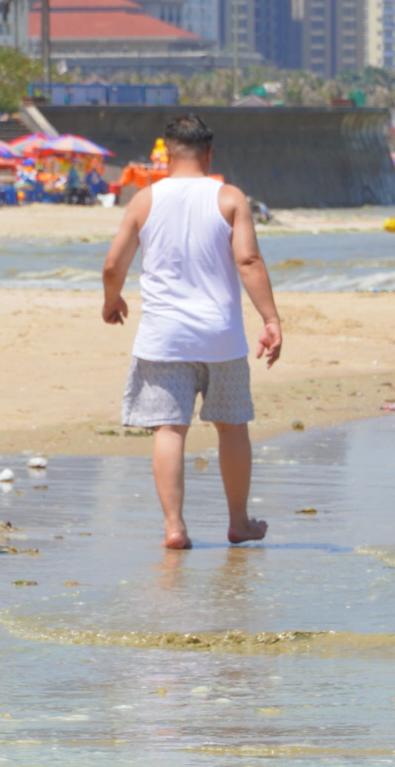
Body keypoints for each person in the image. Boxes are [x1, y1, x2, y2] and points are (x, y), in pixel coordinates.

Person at [100, 113, 283, 550]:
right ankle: (239, 522)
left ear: (164, 153)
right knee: (232, 427)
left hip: (164, 338)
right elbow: (248, 262)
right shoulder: (229, 198)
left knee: (169, 429)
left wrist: (112, 300)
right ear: (209, 153)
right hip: (221, 336)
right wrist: (271, 319)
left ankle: (174, 527)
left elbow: (113, 264)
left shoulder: (144, 200)